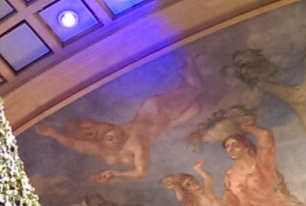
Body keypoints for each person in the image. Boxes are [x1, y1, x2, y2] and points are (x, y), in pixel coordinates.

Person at [34, 58, 203, 182]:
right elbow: (140, 174)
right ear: (105, 145)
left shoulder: (132, 141)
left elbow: (76, 144)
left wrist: (54, 133)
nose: (115, 135)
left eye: (111, 134)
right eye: (111, 138)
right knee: (195, 108)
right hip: (166, 120)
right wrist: (115, 174)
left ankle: (189, 60)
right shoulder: (122, 147)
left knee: (197, 89)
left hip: (158, 110)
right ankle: (185, 74)